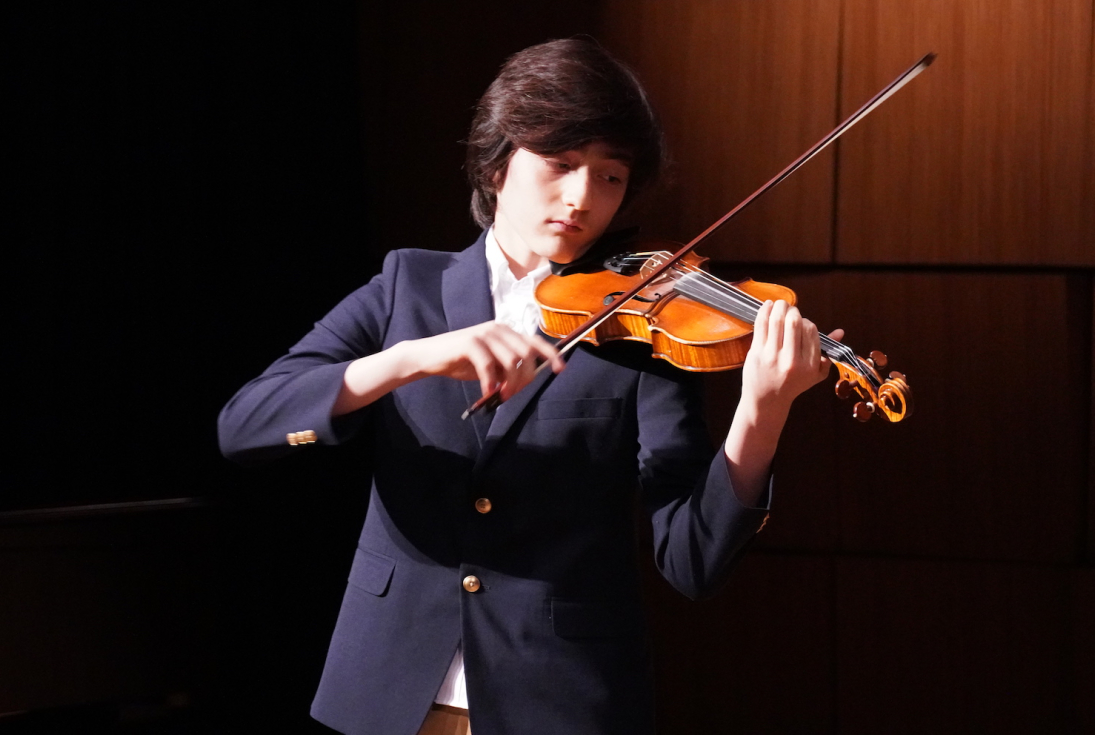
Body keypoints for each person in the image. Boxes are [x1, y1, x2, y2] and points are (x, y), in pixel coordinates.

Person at [218, 37, 839, 735]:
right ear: (496, 165)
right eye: (561, 163)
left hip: (558, 703)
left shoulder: (641, 330)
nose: (582, 198)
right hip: (384, 692)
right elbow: (244, 426)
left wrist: (761, 412)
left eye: (610, 176)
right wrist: (407, 360)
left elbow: (692, 560)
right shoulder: (406, 287)